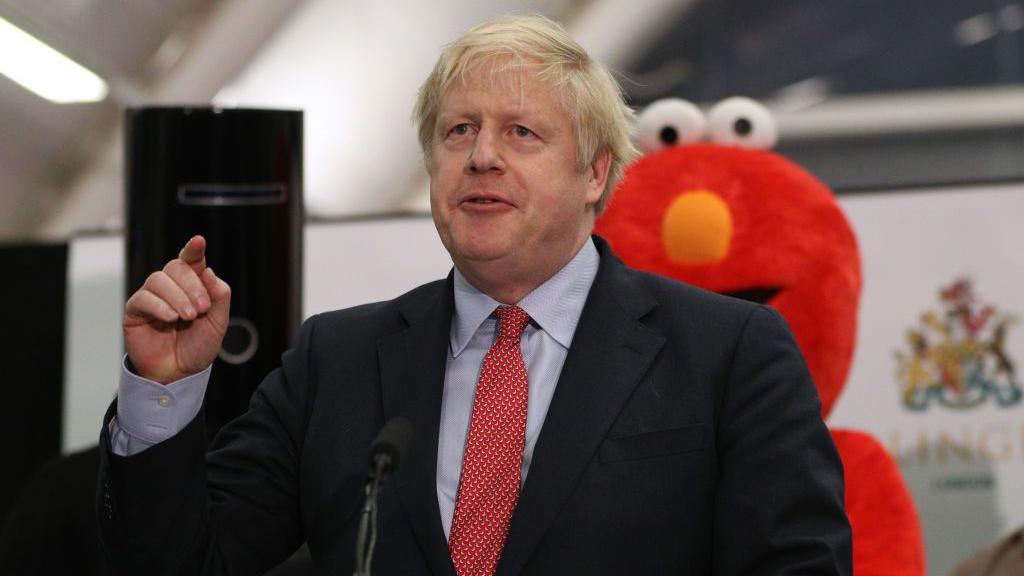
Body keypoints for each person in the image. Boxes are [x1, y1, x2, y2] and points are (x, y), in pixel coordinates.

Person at [98, 14, 851, 575]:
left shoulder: (729, 353)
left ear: (594, 174)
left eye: (521, 133)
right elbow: (183, 563)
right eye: (459, 131)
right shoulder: (338, 361)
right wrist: (162, 395)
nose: (482, 156)